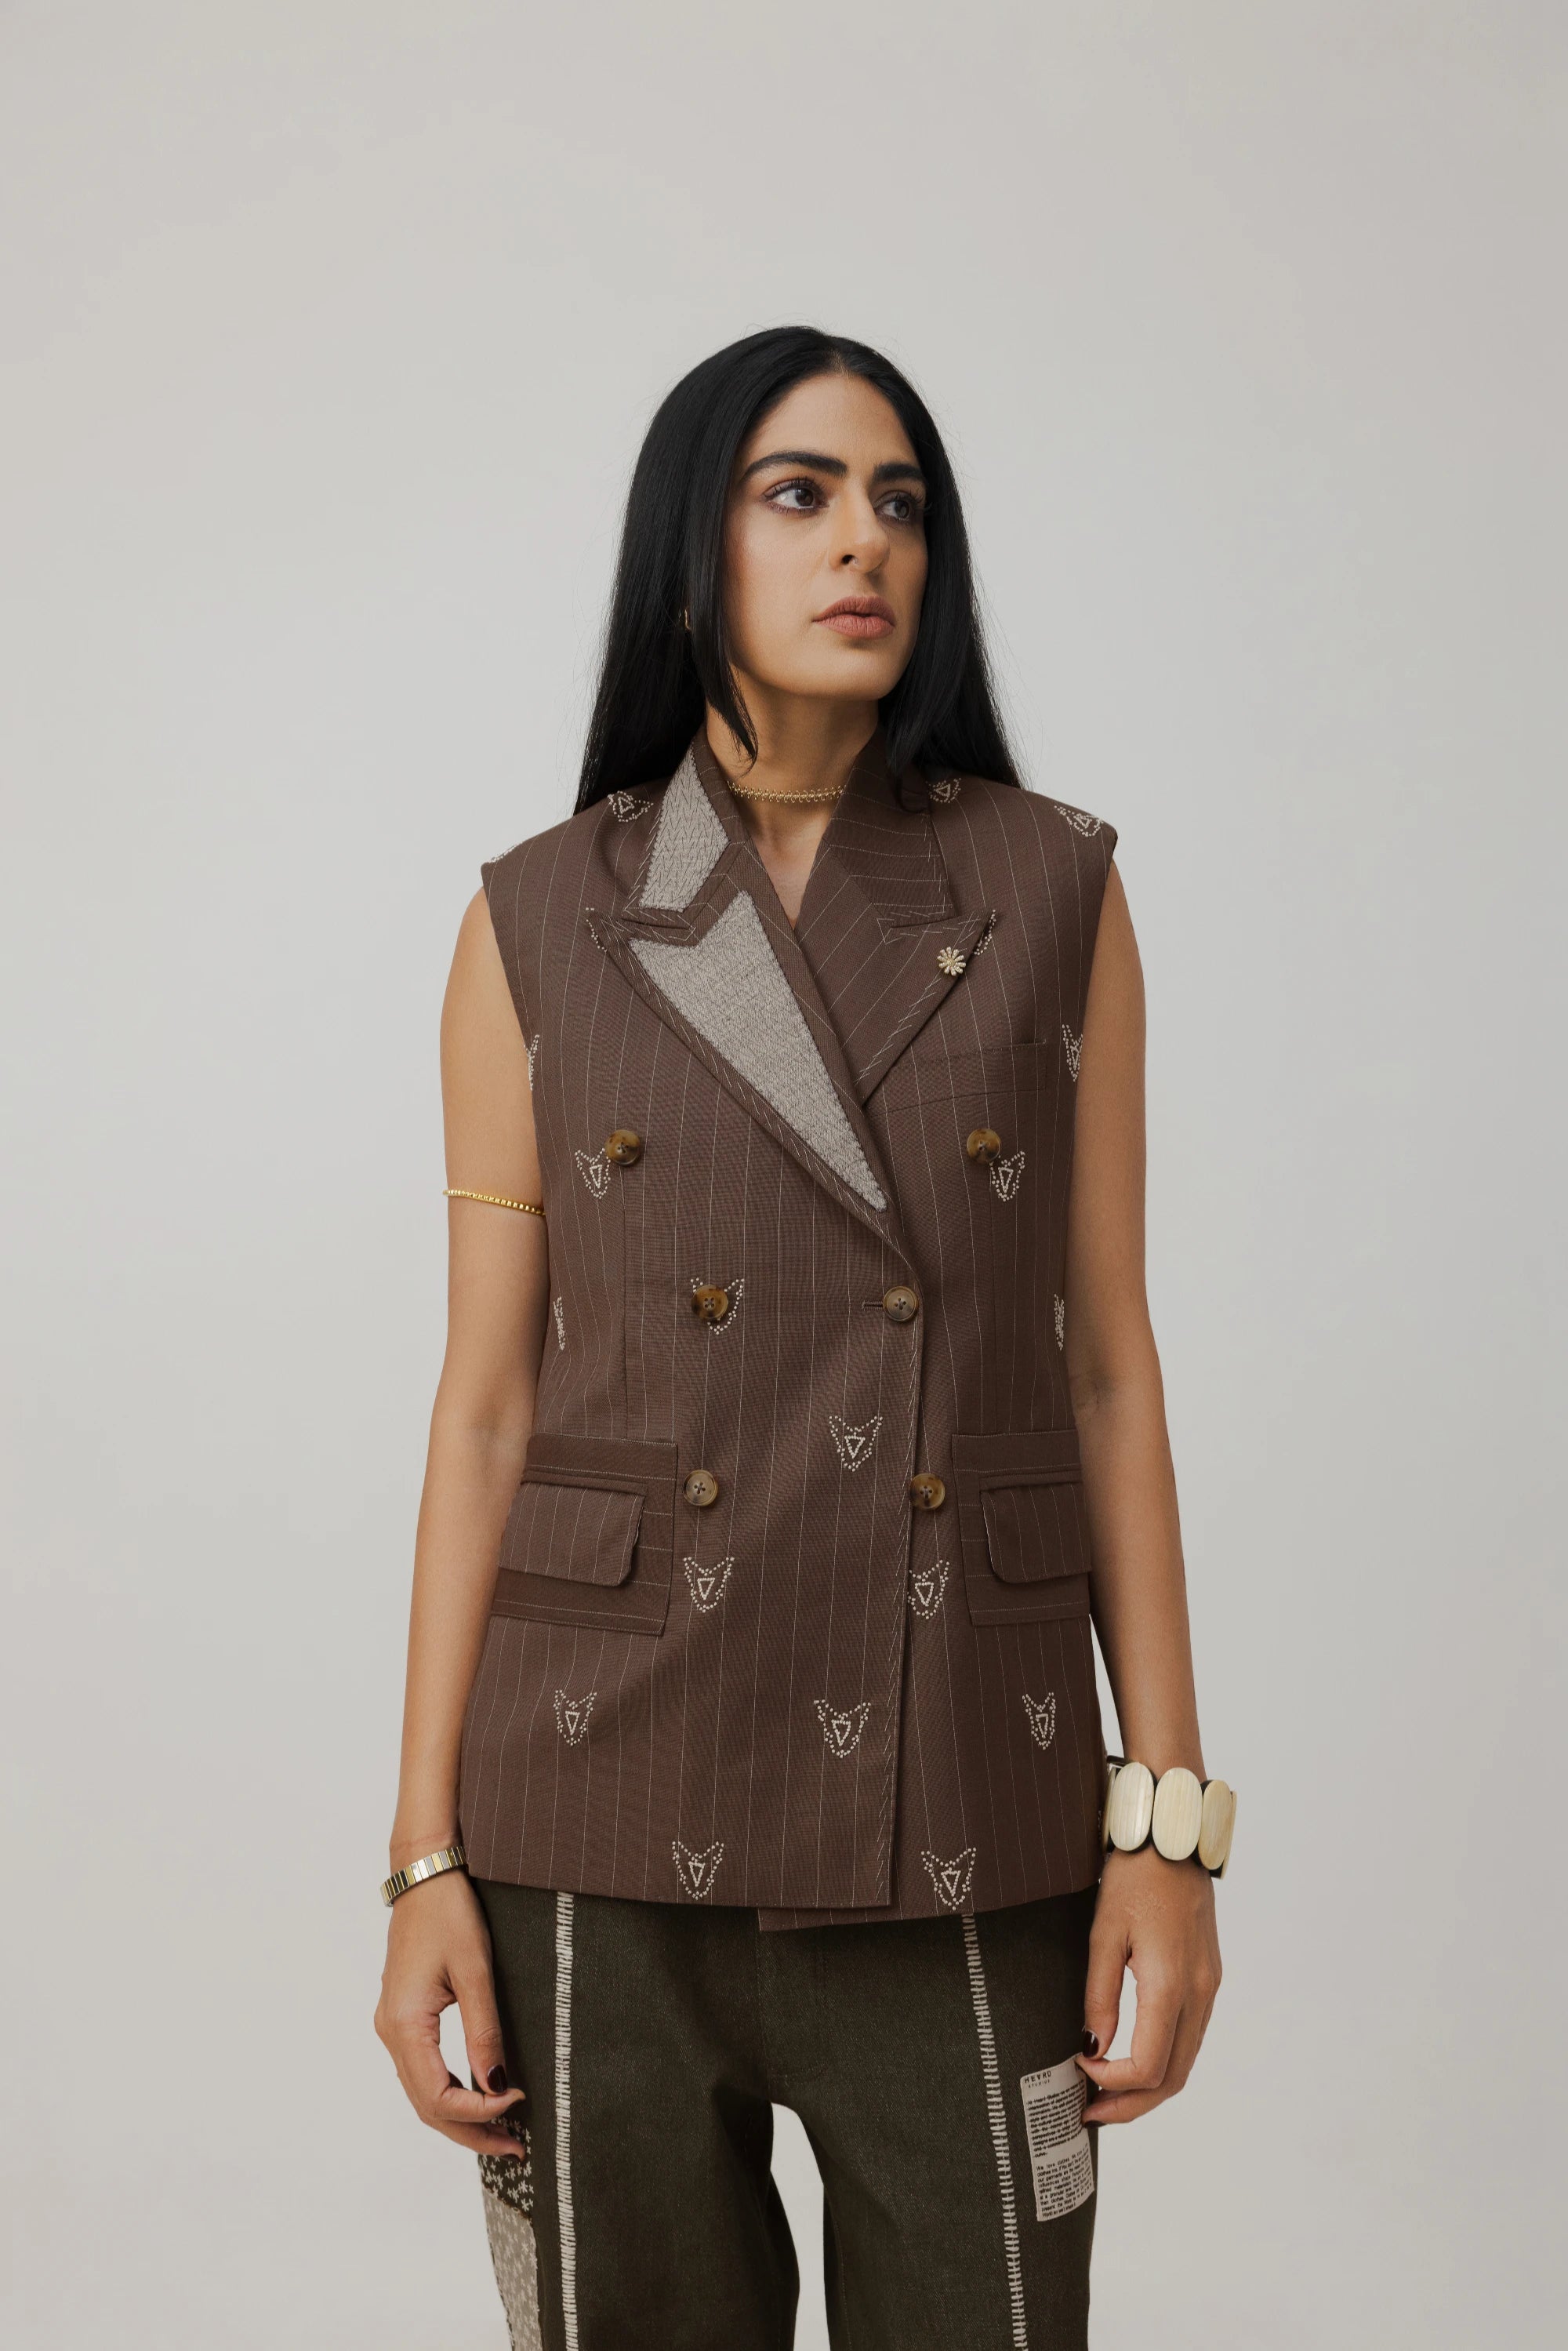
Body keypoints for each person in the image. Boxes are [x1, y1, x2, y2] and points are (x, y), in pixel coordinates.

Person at [374, 325, 1231, 2351]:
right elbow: (485, 1409)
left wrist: (1168, 1820)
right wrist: (422, 1860)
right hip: (592, 1803)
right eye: (801, 493)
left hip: (972, 1785)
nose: (868, 542)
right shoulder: (534, 919)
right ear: (693, 555)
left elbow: (1107, 1367)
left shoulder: (1052, 887)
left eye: (901, 502)